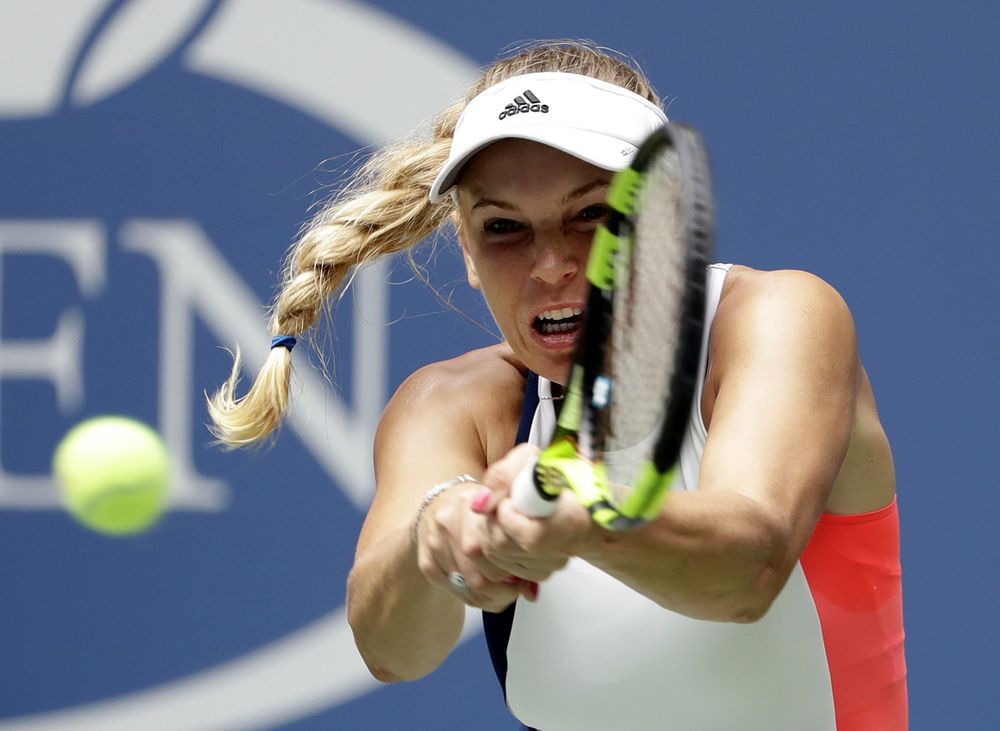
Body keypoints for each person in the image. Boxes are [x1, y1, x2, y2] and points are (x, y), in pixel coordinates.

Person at [209, 41, 907, 730]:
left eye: (592, 215)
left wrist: (579, 515)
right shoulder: (452, 406)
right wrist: (437, 535)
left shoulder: (777, 317)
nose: (550, 264)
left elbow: (748, 568)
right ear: (468, 251)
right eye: (504, 227)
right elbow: (392, 650)